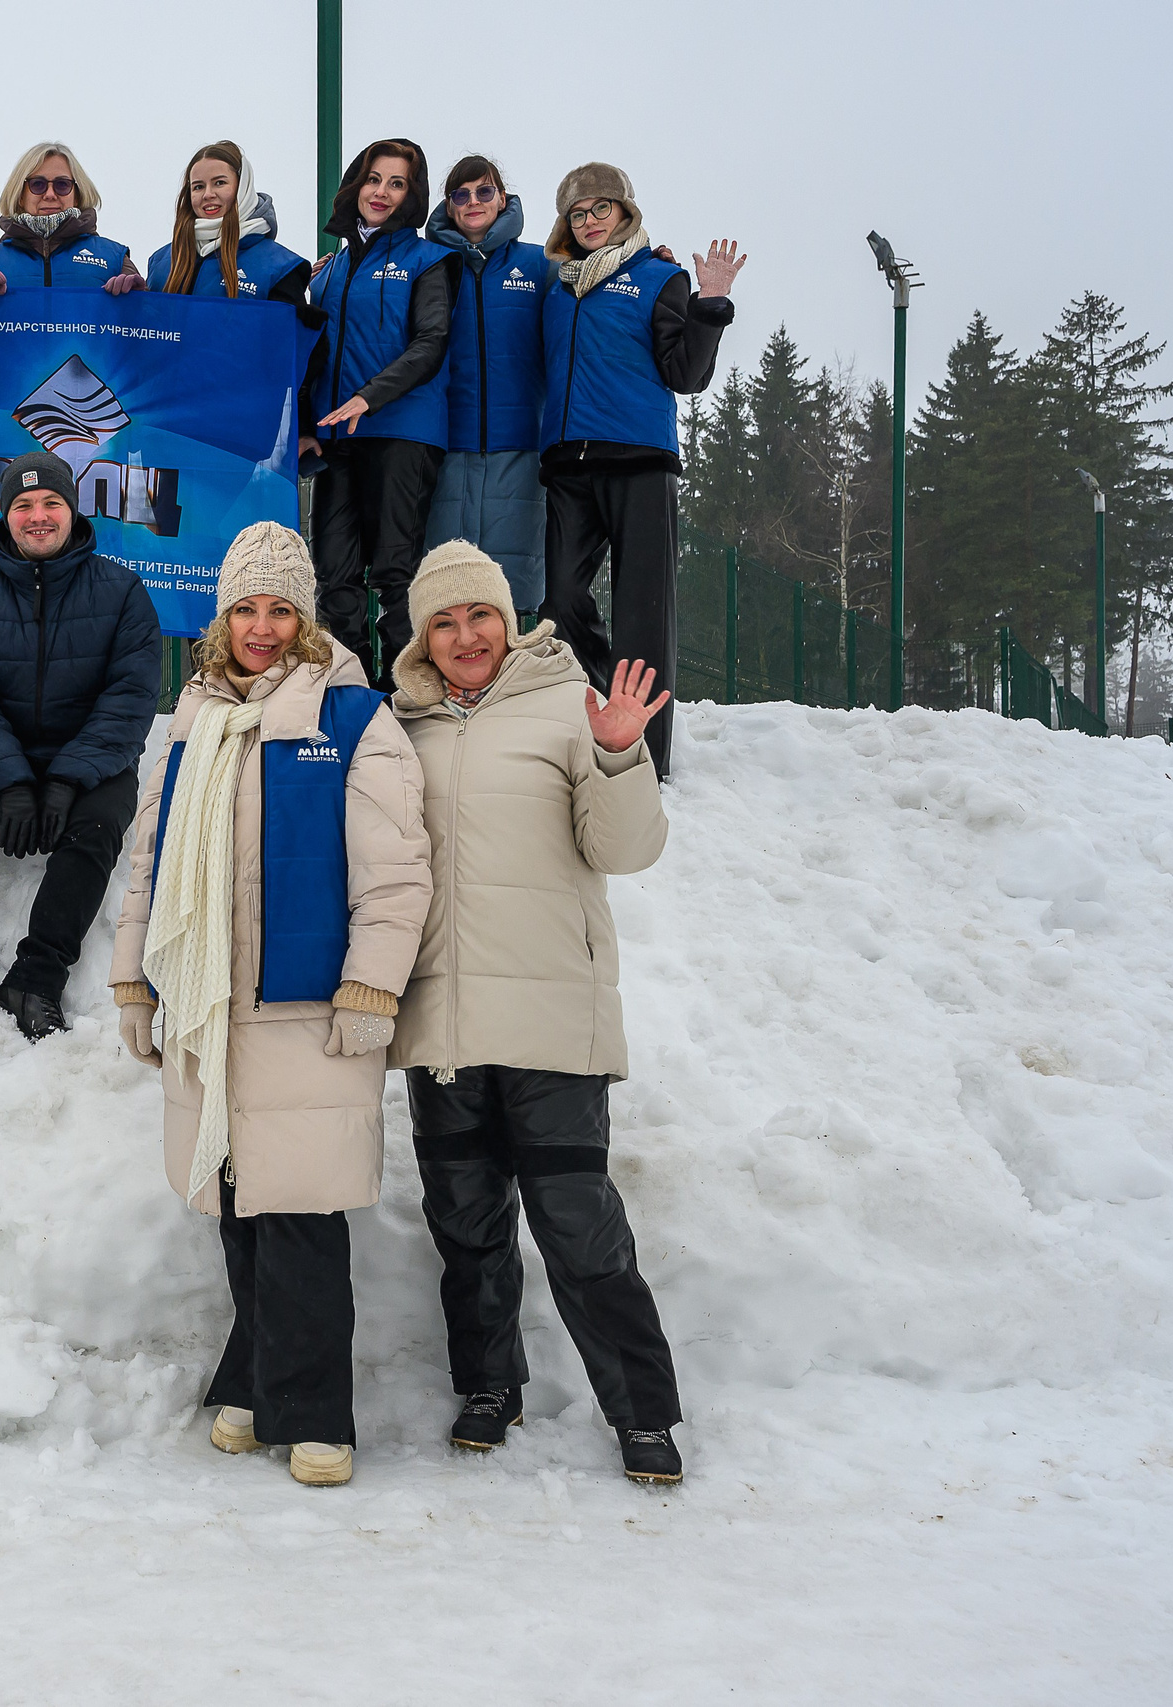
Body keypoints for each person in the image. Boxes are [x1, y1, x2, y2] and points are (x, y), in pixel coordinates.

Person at [109, 521, 431, 1489]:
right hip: (211, 1004)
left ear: (304, 619)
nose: (259, 626)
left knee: (301, 1215)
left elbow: (395, 874)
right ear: (221, 618)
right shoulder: (193, 720)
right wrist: (134, 976)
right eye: (244, 608)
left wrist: (372, 987)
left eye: (278, 608)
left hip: (306, 1007)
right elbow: (147, 861)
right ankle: (253, 1383)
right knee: (238, 1204)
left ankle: (317, 1413)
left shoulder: (353, 718)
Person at [383, 539, 685, 1484]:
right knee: (465, 1222)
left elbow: (625, 849)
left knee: (578, 1223)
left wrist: (618, 750)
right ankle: (488, 1383)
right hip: (444, 1020)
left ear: (507, 622)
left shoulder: (571, 706)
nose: (465, 635)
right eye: (445, 621)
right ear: (423, 637)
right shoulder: (402, 729)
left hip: (553, 1014)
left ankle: (642, 1411)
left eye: (480, 616)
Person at [0, 451, 158, 1039]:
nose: (39, 516)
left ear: (73, 512)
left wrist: (66, 779)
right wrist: (14, 782)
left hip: (89, 768)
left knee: (100, 822)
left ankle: (38, 975)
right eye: (24, 504)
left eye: (52, 503)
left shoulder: (123, 593)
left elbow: (129, 702)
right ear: (3, 513)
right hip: (5, 768)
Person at [538, 162, 743, 779]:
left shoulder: (659, 277)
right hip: (569, 462)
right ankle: (607, 699)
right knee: (562, 602)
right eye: (578, 213)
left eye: (601, 209)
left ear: (625, 212)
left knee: (643, 611)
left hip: (639, 461)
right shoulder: (557, 288)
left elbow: (688, 377)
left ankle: (647, 757)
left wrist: (710, 305)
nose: (590, 221)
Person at [305, 140, 452, 690]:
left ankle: (407, 694)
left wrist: (371, 395)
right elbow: (312, 357)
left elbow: (432, 343)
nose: (382, 192)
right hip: (337, 438)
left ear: (412, 195)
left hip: (403, 430)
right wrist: (304, 428)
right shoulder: (330, 269)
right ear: (355, 185)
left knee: (397, 574)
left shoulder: (428, 260)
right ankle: (354, 694)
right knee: (334, 574)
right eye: (374, 179)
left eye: (397, 183)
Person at [420, 155, 552, 621]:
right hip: (443, 446)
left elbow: (591, 287)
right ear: (448, 206)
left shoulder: (539, 264)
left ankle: (514, 686)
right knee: (445, 587)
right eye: (461, 194)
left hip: (517, 447)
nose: (473, 202)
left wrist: (649, 260)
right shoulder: (428, 263)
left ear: (502, 198)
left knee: (511, 587)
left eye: (484, 191)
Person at [144, 141, 313, 308]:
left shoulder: (280, 267)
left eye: (220, 183)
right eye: (198, 187)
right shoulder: (161, 262)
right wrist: (131, 298)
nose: (208, 194)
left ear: (242, 187)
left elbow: (285, 333)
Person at [0, 142, 144, 294]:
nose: (50, 194)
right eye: (38, 184)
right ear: (20, 195)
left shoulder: (115, 260)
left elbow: (149, 329)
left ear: (77, 195)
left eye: (62, 185)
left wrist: (135, 303)